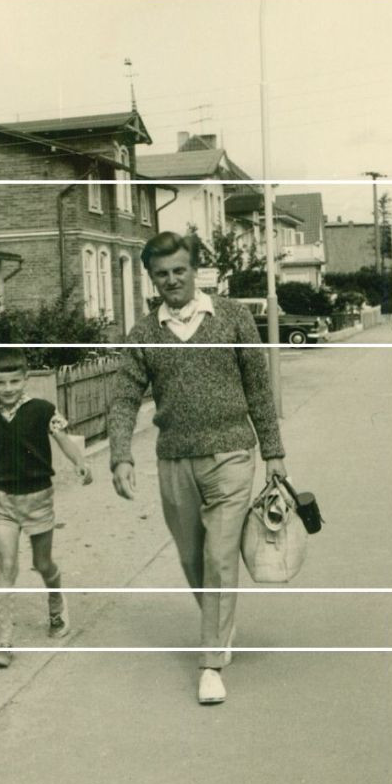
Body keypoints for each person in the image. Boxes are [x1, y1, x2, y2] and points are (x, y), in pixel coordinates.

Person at [106, 231, 287, 706]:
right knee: (192, 558)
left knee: (220, 557)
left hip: (231, 454)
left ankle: (210, 665)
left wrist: (274, 451)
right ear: (151, 278)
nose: (172, 281)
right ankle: (220, 622)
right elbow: (124, 396)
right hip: (174, 459)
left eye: (180, 271)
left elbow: (258, 388)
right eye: (162, 274)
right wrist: (120, 454)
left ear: (196, 270)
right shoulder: (143, 334)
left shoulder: (233, 317)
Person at [0, 347, 92, 669]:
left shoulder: (43, 409)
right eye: (0, 383)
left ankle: (56, 604)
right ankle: (5, 641)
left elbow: (62, 438)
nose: (7, 389)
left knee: (42, 563)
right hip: (1, 498)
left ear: (25, 379)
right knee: (6, 565)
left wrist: (80, 462)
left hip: (38, 497)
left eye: (14, 381)